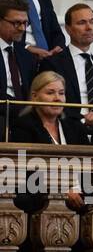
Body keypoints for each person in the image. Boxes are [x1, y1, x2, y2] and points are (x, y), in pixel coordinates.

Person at [8, 71, 86, 209]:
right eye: (50, 93)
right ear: (34, 96)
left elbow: (88, 164)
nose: (57, 98)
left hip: (79, 194)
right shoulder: (23, 126)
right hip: (40, 195)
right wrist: (62, 191)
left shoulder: (75, 126)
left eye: (61, 93)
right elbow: (28, 172)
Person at [38, 3, 93, 136]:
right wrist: (83, 119)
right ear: (68, 29)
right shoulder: (53, 63)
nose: (89, 27)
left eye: (92, 22)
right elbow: (48, 102)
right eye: (81, 23)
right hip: (68, 131)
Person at [0, 0, 38, 140]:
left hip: (25, 120)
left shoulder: (26, 56)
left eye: (25, 23)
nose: (22, 28)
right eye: (16, 23)